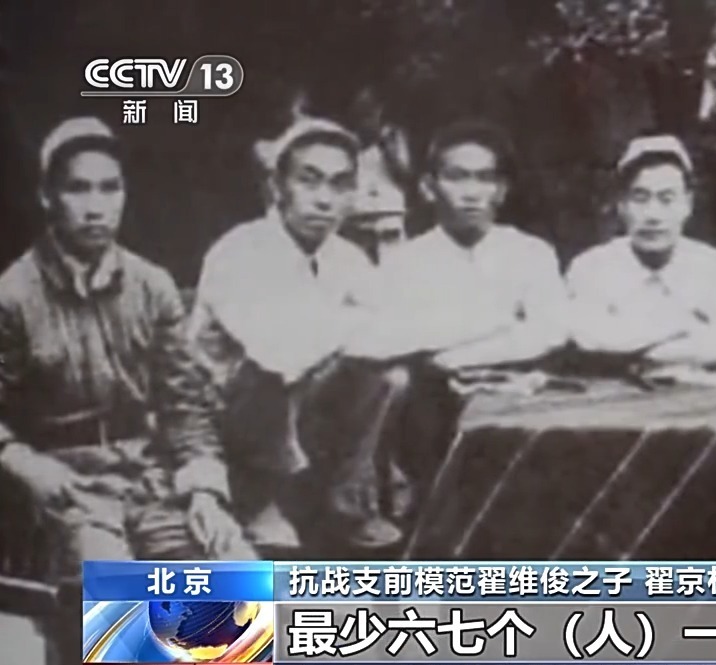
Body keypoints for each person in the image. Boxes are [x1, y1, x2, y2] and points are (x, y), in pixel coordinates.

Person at [0, 117, 254, 662]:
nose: (95, 207)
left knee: (235, 582)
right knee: (125, 607)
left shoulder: (152, 286)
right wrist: (23, 462)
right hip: (66, 489)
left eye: (109, 188)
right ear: (48, 197)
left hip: (148, 477)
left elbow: (184, 406)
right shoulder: (14, 296)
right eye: (78, 188)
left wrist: (205, 490)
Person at [187, 116, 407, 552]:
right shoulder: (239, 250)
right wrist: (349, 324)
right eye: (309, 181)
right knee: (269, 371)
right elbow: (277, 351)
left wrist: (349, 330)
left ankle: (346, 500)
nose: (324, 200)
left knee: (390, 377)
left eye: (340, 185)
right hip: (222, 414)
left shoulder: (347, 258)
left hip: (304, 407)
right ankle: (260, 501)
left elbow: (392, 329)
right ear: (277, 186)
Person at [364, 120, 569, 371]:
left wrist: (458, 357)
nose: (471, 193)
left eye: (485, 178)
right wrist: (501, 324)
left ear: (501, 190)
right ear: (428, 188)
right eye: (456, 177)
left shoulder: (531, 253)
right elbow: (384, 339)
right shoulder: (404, 262)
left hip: (517, 386)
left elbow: (551, 332)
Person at [564, 134, 716, 370]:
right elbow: (588, 339)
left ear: (688, 204)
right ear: (621, 205)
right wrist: (683, 327)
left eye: (666, 199)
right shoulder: (591, 268)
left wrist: (625, 347)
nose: (653, 215)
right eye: (640, 199)